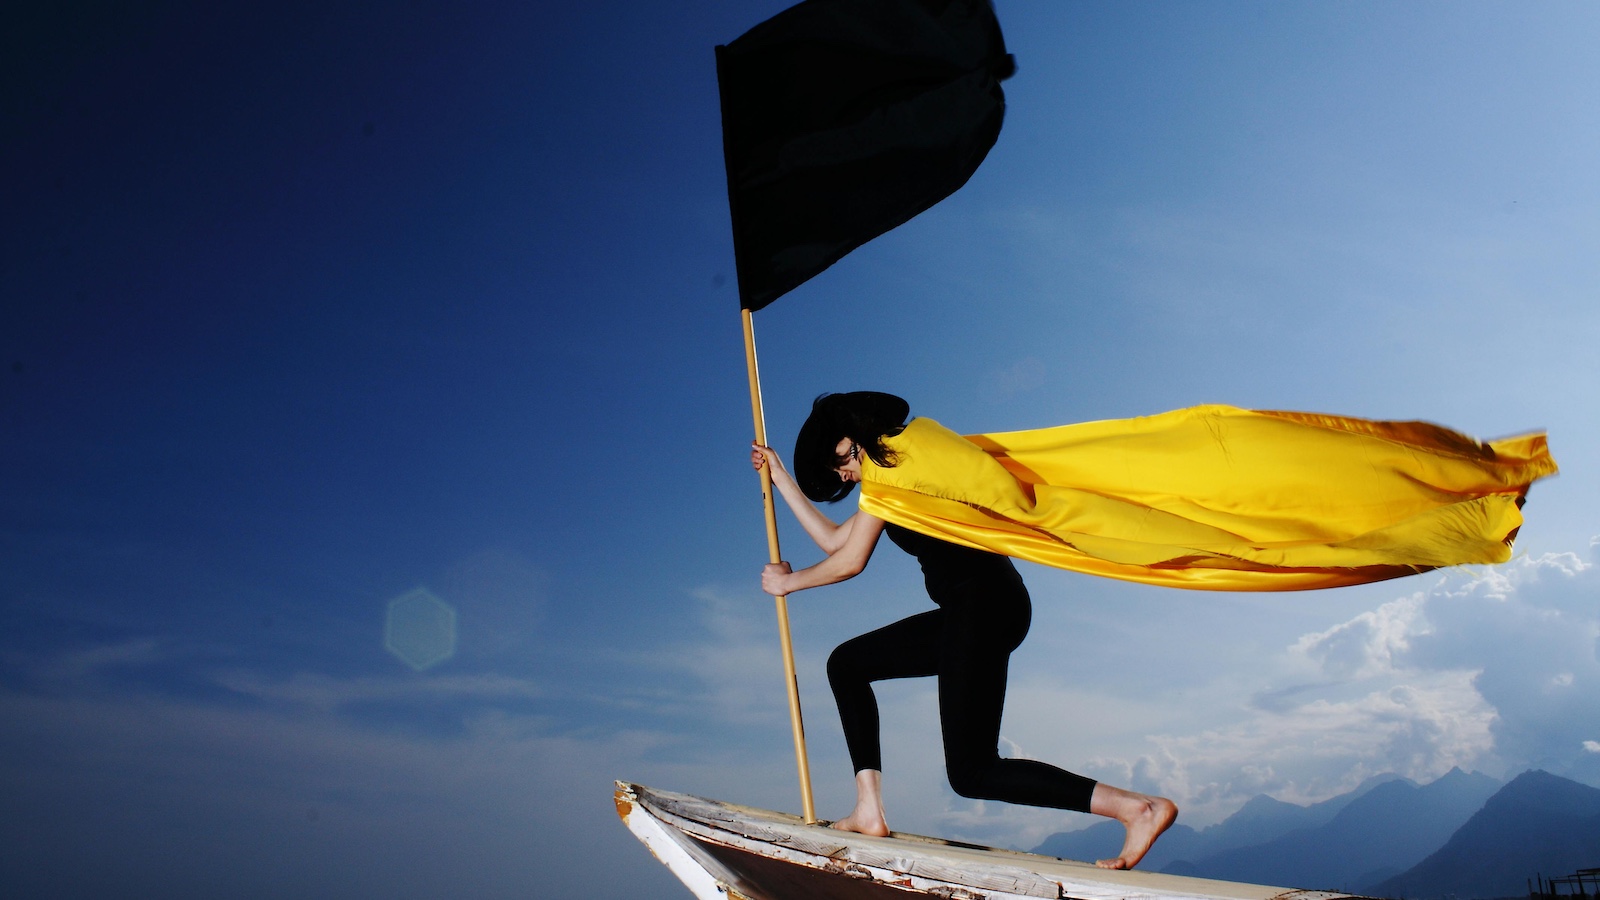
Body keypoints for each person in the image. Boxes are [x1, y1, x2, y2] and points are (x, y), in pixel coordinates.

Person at [751, 391, 1177, 870]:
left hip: (985, 606)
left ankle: (1137, 808)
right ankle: (869, 809)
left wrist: (788, 583)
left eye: (843, 461)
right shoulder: (894, 476)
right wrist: (780, 479)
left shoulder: (893, 469)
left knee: (973, 772)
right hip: (976, 609)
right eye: (838, 472)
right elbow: (834, 540)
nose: (844, 475)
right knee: (847, 665)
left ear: (857, 436)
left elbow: (850, 563)